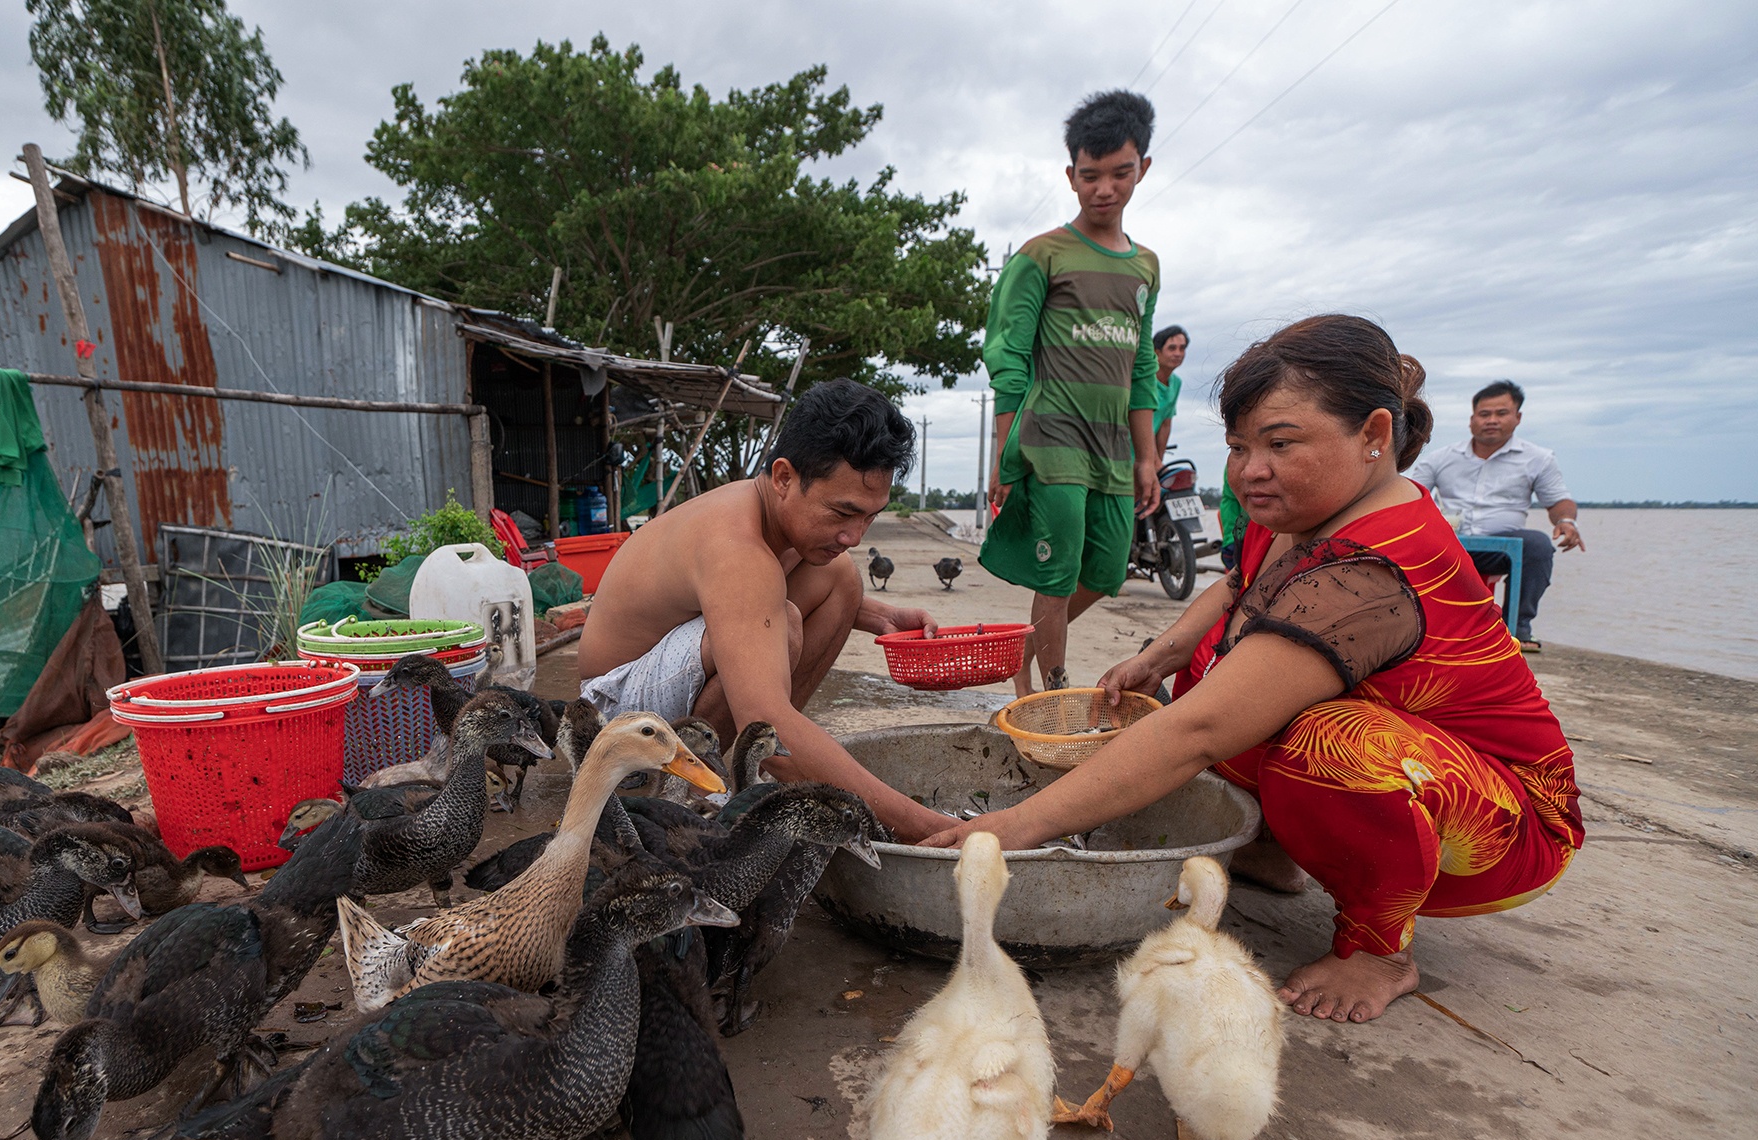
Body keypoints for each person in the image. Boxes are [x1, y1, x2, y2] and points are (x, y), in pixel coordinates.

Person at [927, 316, 1583, 1025]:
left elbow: (1201, 731)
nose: (1250, 470)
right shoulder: (1305, 508)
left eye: (1280, 442)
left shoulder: (1379, 562)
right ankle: (1272, 847)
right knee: (1219, 661)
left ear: (1373, 435)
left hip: (1504, 825)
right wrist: (1164, 652)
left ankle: (1377, 949)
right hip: (1428, 775)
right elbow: (1239, 584)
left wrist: (1015, 828)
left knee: (1320, 740)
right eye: (1240, 446)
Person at [578, 378, 959, 843]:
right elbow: (764, 714)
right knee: (783, 631)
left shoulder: (772, 515)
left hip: (664, 674)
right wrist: (931, 827)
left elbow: (761, 600)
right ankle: (668, 794)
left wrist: (880, 617)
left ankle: (745, 767)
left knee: (840, 577)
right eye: (842, 513)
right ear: (784, 478)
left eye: (870, 517)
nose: (855, 536)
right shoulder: (737, 548)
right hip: (610, 716)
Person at [980, 90, 1164, 698]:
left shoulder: (1146, 268)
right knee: (1056, 572)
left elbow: (1141, 366)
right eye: (1090, 175)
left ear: (1143, 169)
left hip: (1113, 446)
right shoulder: (1041, 256)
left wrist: (1147, 457)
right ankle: (1049, 692)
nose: (1105, 188)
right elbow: (1007, 354)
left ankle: (1024, 653)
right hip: (1052, 435)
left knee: (1107, 569)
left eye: (1120, 173)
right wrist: (1006, 453)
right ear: (1071, 175)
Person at [1405, 381, 1582, 651]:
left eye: (1501, 413)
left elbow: (1558, 501)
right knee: (1408, 540)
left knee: (1537, 544)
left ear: (1517, 417)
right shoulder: (1440, 459)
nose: (1492, 420)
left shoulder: (1538, 459)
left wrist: (1566, 522)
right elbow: (1410, 495)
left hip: (1502, 546)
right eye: (1484, 414)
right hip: (1449, 544)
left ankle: (1518, 630)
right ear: (1472, 420)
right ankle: (1413, 629)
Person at [1151, 325, 1188, 459]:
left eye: (1182, 348)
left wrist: (1159, 462)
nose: (1178, 353)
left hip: (1153, 455)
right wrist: (1152, 462)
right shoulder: (1144, 381)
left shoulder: (1175, 383)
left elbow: (1165, 424)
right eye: (1172, 348)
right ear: (1157, 352)